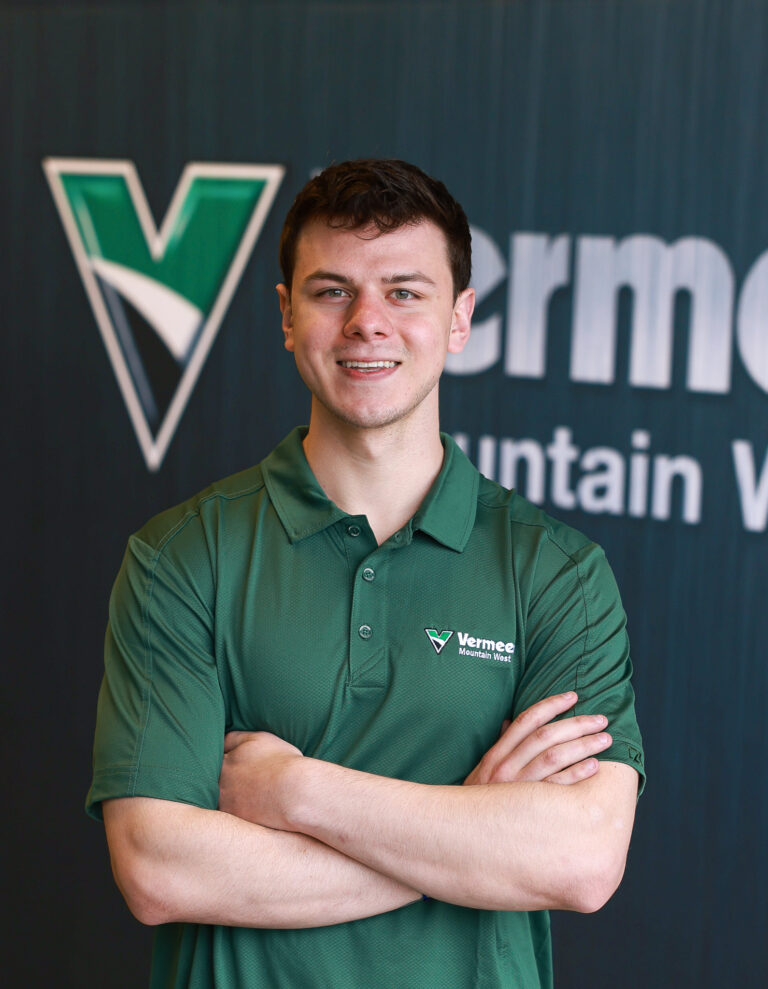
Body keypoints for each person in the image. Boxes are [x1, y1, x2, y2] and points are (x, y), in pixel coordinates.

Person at [88, 159, 644, 988]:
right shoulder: (182, 558)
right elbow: (159, 870)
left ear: (460, 319)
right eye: (332, 290)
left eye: (406, 292)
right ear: (285, 315)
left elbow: (581, 860)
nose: (368, 323)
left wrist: (296, 789)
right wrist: (473, 823)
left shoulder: (557, 573)